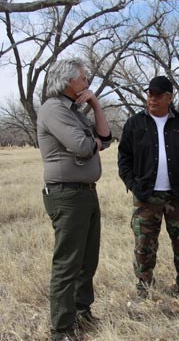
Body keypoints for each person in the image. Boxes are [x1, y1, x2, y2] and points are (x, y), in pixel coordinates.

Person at [37, 58, 112, 341]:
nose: (87, 81)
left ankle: (82, 313)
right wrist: (93, 143)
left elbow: (105, 137)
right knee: (68, 263)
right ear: (69, 81)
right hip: (66, 195)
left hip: (85, 193)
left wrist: (96, 105)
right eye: (83, 77)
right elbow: (83, 147)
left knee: (87, 260)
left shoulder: (75, 111)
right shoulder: (53, 109)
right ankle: (61, 329)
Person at [118, 75, 179, 299]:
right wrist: (132, 184)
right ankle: (144, 289)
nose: (152, 99)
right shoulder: (135, 124)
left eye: (157, 95)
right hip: (146, 196)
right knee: (144, 245)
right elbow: (124, 157)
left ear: (169, 98)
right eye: (149, 94)